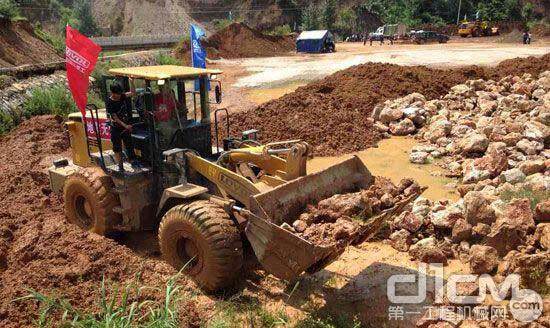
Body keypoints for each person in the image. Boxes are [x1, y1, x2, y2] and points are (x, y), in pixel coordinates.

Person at [106, 82, 136, 171]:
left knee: (129, 144)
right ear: (112, 93)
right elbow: (115, 118)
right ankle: (120, 165)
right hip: (116, 127)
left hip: (125, 126)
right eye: (117, 94)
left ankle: (133, 161)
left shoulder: (122, 96)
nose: (119, 96)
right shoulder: (109, 102)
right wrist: (126, 126)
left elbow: (133, 93)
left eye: (120, 94)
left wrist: (131, 81)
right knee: (117, 147)